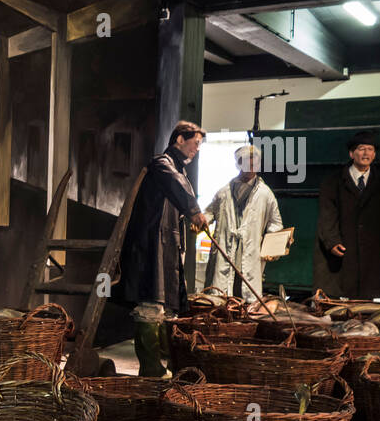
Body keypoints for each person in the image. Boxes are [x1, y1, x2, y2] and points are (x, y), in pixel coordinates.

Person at [119, 120, 209, 377]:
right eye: (195, 143)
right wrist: (194, 212)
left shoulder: (179, 170)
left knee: (165, 308)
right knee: (150, 305)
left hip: (166, 247)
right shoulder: (162, 164)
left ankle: (166, 364)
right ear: (180, 139)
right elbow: (176, 188)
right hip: (150, 247)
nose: (197, 149)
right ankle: (150, 368)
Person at [313, 130, 380, 300]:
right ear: (351, 153)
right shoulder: (332, 182)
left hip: (370, 255)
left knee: (366, 302)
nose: (366, 153)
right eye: (362, 149)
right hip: (342, 252)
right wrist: (332, 242)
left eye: (370, 149)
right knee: (340, 301)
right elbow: (327, 216)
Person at [203, 144, 284, 301]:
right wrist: (201, 222)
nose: (250, 167)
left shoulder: (265, 194)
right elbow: (209, 212)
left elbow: (275, 224)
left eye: (254, 163)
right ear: (238, 164)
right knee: (221, 298)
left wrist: (272, 248)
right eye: (247, 162)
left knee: (247, 297)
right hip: (225, 252)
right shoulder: (224, 192)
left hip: (249, 255)